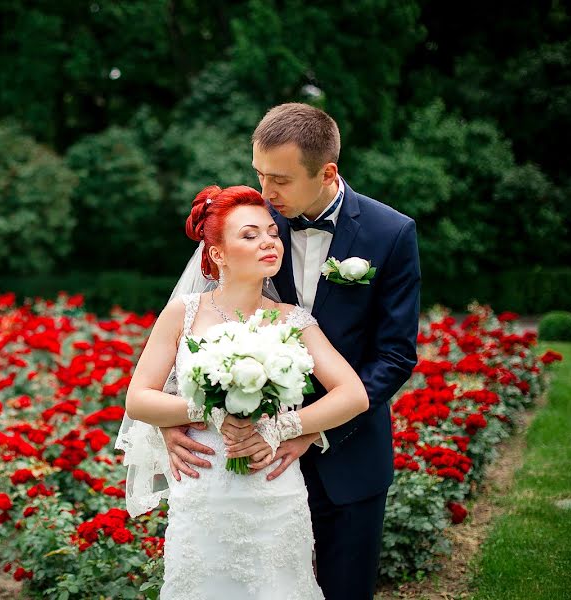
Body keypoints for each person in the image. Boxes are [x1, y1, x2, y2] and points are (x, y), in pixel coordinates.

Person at [160, 103, 421, 600]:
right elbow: (195, 331)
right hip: (240, 466)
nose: (265, 193)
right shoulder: (252, 227)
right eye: (259, 175)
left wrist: (307, 428)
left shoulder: (391, 235)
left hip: (349, 456)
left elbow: (394, 357)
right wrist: (173, 421)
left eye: (278, 179)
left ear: (327, 173)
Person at [124, 184, 369, 599]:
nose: (269, 242)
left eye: (272, 233)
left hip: (273, 485)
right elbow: (138, 398)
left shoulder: (294, 319)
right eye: (250, 235)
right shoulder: (183, 314)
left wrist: (282, 427)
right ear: (217, 253)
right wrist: (208, 412)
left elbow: (353, 394)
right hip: (204, 488)